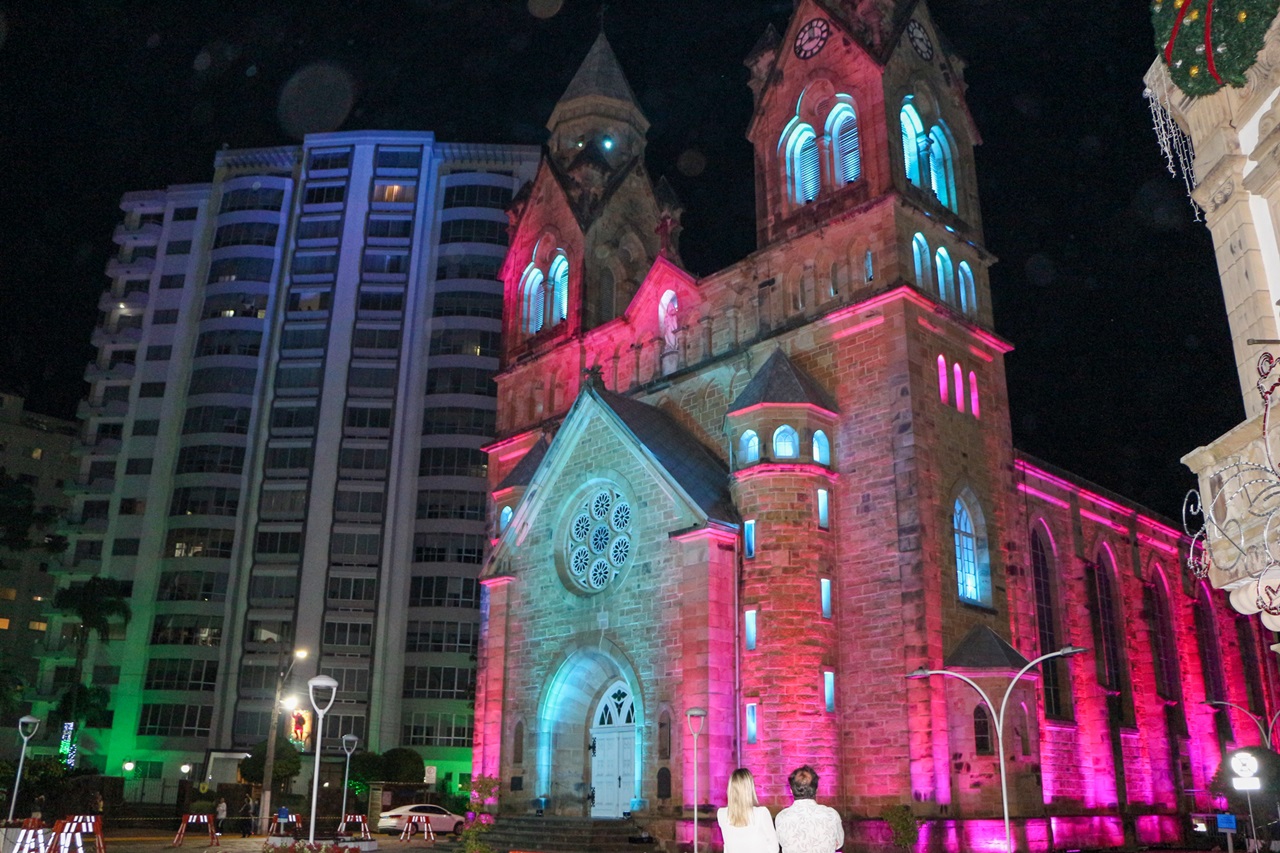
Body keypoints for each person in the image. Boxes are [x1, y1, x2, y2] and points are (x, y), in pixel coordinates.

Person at [774, 766, 843, 853]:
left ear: (791, 790)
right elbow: (839, 843)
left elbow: (780, 843)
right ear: (816, 790)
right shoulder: (831, 814)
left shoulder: (781, 817)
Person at [717, 768, 778, 853]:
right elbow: (774, 847)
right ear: (750, 789)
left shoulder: (721, 814)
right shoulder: (761, 813)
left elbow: (726, 847)